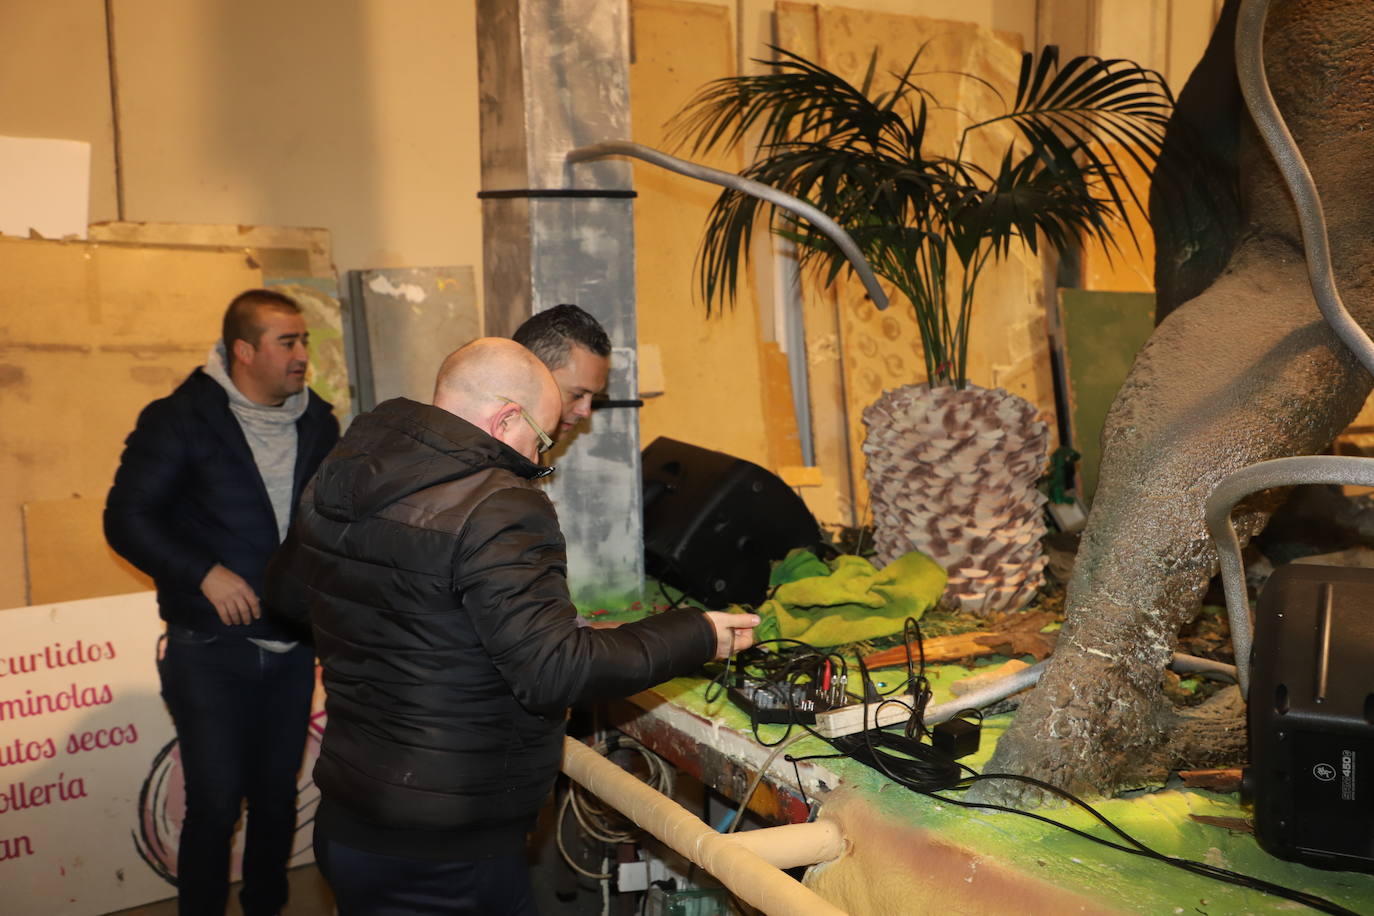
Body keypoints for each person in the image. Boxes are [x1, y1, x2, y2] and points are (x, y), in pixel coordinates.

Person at [265, 337, 758, 915]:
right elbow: (553, 671)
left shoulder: (345, 467)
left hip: (351, 819)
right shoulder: (500, 503)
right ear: (506, 418)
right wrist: (697, 632)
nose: (536, 462)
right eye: (541, 441)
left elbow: (287, 596)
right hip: (449, 840)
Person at [104, 288, 340, 916]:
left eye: (305, 341)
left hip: (291, 648)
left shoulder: (319, 420)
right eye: (287, 342)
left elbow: (328, 523)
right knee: (213, 800)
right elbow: (126, 519)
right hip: (208, 650)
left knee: (276, 798)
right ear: (243, 350)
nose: (301, 355)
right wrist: (204, 573)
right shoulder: (178, 419)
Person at [512, 303, 612, 438]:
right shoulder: (484, 455)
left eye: (594, 398)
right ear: (528, 376)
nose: (585, 412)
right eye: (577, 395)